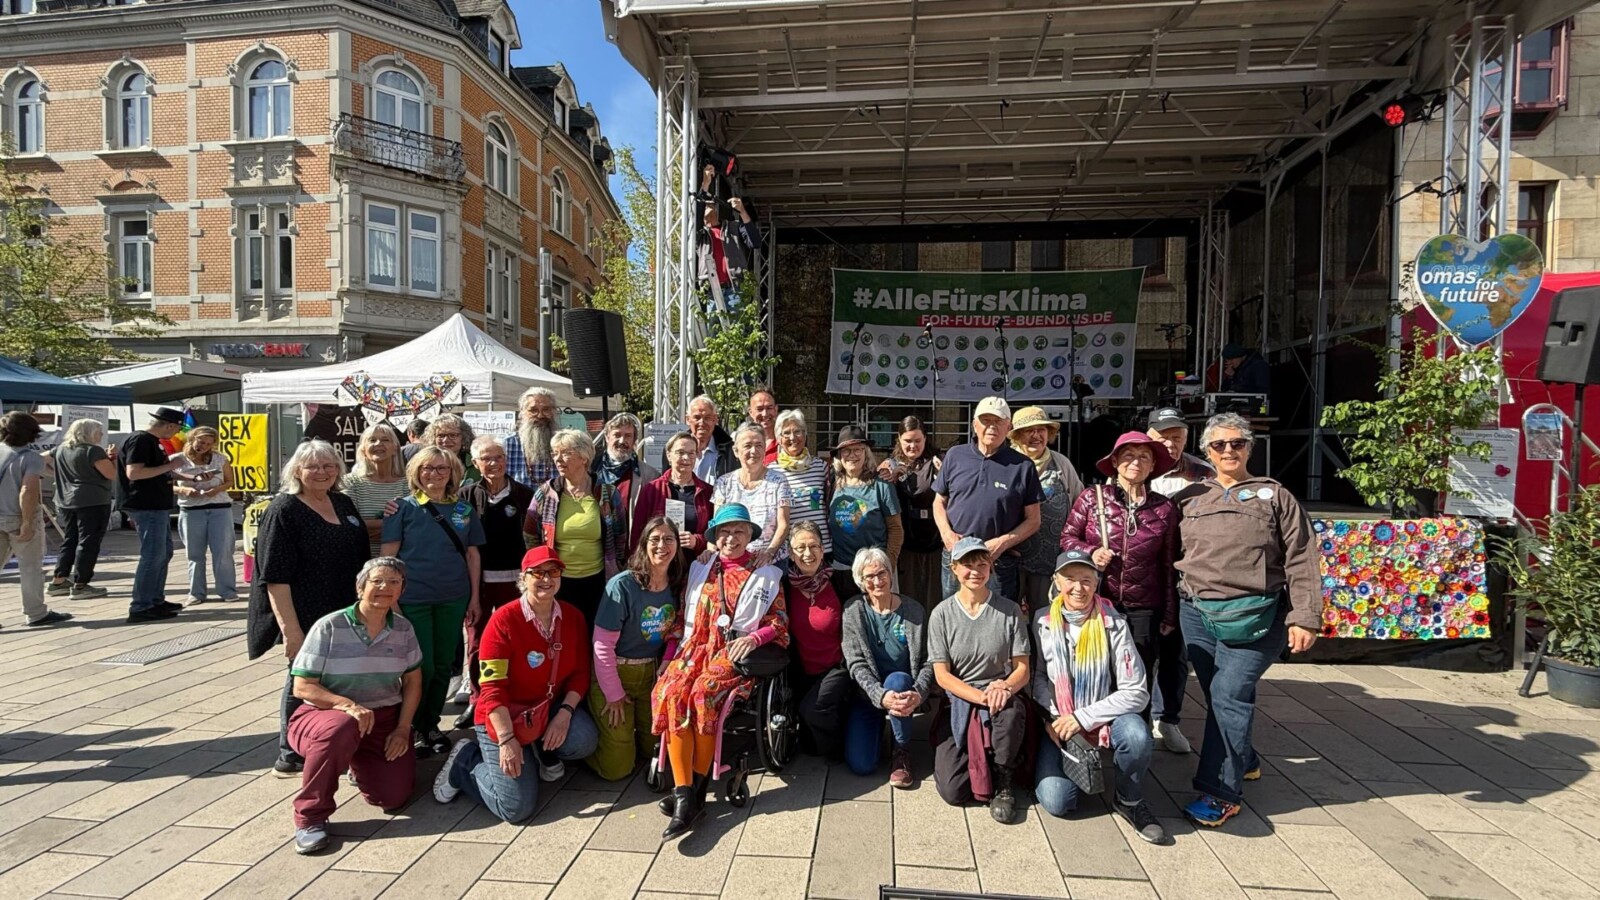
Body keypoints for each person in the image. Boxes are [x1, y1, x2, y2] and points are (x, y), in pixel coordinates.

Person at [1175, 413, 1320, 827]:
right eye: (1219, 445)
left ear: (1249, 447)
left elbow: (1301, 557)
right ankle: (1245, 757)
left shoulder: (1275, 497)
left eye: (1236, 443)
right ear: (1206, 451)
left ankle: (1221, 791)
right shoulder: (1189, 498)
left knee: (1228, 695)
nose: (1228, 451)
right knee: (1218, 694)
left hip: (1256, 616)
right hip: (1197, 614)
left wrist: (1305, 617)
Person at [434, 546, 600, 822]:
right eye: (538, 573)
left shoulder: (572, 617)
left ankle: (538, 749)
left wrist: (565, 713)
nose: (546, 579)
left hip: (545, 708)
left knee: (583, 740)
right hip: (503, 715)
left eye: (554, 571)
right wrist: (507, 739)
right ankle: (465, 763)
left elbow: (580, 673)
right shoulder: (503, 621)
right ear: (524, 578)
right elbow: (491, 689)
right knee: (515, 808)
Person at [652, 503, 787, 839]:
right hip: (694, 648)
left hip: (732, 650)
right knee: (671, 690)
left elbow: (780, 622)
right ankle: (686, 793)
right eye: (724, 532)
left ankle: (692, 792)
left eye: (739, 531)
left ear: (750, 535)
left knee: (702, 691)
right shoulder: (701, 568)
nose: (731, 538)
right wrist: (670, 656)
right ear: (715, 537)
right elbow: (682, 617)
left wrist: (755, 639)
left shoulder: (764, 573)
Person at [247, 439, 371, 776]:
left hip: (345, 609)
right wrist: (291, 631)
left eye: (329, 465)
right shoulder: (284, 509)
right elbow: (274, 577)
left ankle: (334, 740)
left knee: (340, 679)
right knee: (302, 678)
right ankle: (289, 752)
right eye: (313, 466)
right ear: (297, 471)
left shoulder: (342, 502)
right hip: (305, 613)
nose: (322, 472)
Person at [286, 557, 421, 855]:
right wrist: (346, 705)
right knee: (342, 727)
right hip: (323, 715)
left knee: (392, 797)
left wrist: (402, 729)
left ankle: (354, 762)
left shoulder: (403, 629)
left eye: (394, 582)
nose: (386, 587)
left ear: (402, 590)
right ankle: (310, 817)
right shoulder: (329, 626)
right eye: (378, 581)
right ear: (360, 587)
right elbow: (302, 686)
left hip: (382, 717)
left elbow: (412, 682)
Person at [1031, 549, 1166, 844]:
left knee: (1136, 735)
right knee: (1057, 801)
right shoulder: (1042, 621)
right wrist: (1053, 719)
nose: (1078, 588)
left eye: (1086, 580)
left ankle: (1129, 800)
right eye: (1070, 579)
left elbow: (1136, 691)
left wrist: (1083, 718)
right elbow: (1038, 677)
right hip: (1060, 720)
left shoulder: (1113, 623)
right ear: (1056, 581)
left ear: (1096, 582)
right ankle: (1076, 766)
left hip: (1104, 716)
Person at [1059, 432, 1180, 724]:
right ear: (1114, 462)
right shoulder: (1092, 497)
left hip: (1143, 607)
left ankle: (1134, 743)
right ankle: (1096, 734)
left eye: (1144, 457)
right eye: (1128, 455)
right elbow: (1067, 538)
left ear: (1153, 466)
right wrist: (1090, 552)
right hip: (1099, 602)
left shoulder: (1165, 509)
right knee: (1096, 669)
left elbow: (1169, 564)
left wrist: (1169, 613)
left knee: (1138, 676)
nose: (1135, 462)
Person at [381, 446, 485, 757]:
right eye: (428, 468)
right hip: (413, 598)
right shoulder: (401, 508)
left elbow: (472, 555)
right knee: (420, 666)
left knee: (443, 666)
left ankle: (430, 725)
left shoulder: (464, 511)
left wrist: (475, 597)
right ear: (416, 472)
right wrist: (390, 599)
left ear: (453, 473)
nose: (435, 474)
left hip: (452, 597)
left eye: (442, 468)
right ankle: (411, 726)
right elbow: (388, 556)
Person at [927, 537, 1030, 823]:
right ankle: (977, 761)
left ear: (992, 568)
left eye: (982, 564)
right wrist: (980, 697)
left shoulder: (1009, 611)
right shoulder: (941, 614)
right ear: (954, 569)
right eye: (967, 565)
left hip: (1000, 692)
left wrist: (1005, 687)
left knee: (1010, 713)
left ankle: (1004, 779)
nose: (975, 571)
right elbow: (942, 675)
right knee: (953, 791)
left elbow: (1023, 668)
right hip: (961, 699)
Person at [587, 516, 684, 781]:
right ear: (643, 544)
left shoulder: (677, 584)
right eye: (654, 539)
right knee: (618, 768)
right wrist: (613, 693)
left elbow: (677, 631)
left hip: (651, 676)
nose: (661, 546)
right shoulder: (622, 585)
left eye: (668, 539)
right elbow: (602, 645)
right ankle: (580, 749)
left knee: (653, 750)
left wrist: (666, 663)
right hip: (615, 673)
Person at [458, 435, 536, 728]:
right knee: (477, 643)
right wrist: (472, 594)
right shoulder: (465, 497)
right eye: (486, 459)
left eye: (499, 457)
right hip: (478, 583)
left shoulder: (525, 495)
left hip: (516, 582)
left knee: (514, 641)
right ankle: (478, 700)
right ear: (476, 464)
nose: (494, 463)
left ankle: (512, 694)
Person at [1144, 406, 1210, 754]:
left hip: (1185, 575)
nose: (1170, 442)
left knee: (1174, 652)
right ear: (1149, 435)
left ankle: (1167, 719)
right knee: (1138, 650)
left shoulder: (1204, 473)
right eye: (1163, 435)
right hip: (1141, 575)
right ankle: (1133, 719)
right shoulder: (1133, 466)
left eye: (1177, 436)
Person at [931, 397, 1042, 603]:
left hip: (998, 562)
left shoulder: (1023, 466)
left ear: (1009, 426)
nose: (991, 427)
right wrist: (947, 535)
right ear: (974, 424)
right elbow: (939, 501)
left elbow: (1033, 520)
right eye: (986, 420)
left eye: (998, 421)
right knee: (954, 617)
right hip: (957, 557)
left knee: (997, 623)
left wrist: (1002, 543)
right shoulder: (955, 456)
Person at [841, 547, 931, 788]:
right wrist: (880, 697)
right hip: (869, 694)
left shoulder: (913, 611)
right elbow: (856, 663)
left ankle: (902, 751)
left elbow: (927, 660)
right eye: (869, 576)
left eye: (882, 573)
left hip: (903, 690)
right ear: (861, 581)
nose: (877, 581)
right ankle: (881, 724)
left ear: (891, 575)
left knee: (899, 679)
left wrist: (920, 691)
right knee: (862, 765)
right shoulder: (853, 611)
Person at [523, 429, 624, 628]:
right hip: (557, 581)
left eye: (565, 453)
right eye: (555, 453)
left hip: (598, 580)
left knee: (594, 634)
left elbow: (620, 536)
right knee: (563, 633)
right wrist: (542, 566)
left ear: (584, 457)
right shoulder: (546, 493)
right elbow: (529, 534)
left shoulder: (607, 493)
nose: (558, 459)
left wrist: (617, 568)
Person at [1008, 407, 1085, 613]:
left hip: (1049, 561)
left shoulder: (1061, 464)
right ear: (1016, 435)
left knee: (1044, 617)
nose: (1036, 435)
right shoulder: (1005, 464)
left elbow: (1080, 505)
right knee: (1008, 616)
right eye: (1028, 430)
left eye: (1041, 429)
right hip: (1010, 558)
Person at [785, 522, 850, 759]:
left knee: (812, 711)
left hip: (838, 667)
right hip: (803, 672)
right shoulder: (783, 587)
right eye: (800, 548)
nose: (807, 553)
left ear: (823, 550)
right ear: (791, 553)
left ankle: (842, 738)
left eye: (813, 546)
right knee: (809, 749)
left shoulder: (841, 583)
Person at [1, 412, 71, 628]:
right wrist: (27, 522)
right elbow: (28, 491)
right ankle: (36, 613)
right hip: (17, 516)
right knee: (30, 567)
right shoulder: (31, 458)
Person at [827, 425, 902, 601]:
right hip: (841, 569)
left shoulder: (882, 485)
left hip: (875, 571)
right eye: (846, 451)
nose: (852, 455)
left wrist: (888, 565)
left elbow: (896, 529)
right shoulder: (832, 483)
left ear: (866, 452)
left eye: (858, 449)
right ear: (839, 456)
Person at [47, 417, 116, 601]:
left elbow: (41, 460)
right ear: (90, 433)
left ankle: (58, 580)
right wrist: (112, 459)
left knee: (70, 539)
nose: (101, 435)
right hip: (93, 500)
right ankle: (81, 584)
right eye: (99, 432)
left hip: (65, 500)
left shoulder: (61, 448)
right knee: (88, 541)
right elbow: (110, 474)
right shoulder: (93, 451)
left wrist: (54, 473)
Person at [877, 416, 942, 608]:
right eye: (908, 441)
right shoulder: (889, 465)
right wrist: (890, 480)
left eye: (917, 441)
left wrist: (944, 475)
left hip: (934, 542)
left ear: (925, 439)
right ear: (899, 438)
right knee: (907, 597)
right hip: (905, 544)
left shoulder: (937, 462)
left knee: (933, 597)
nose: (913, 446)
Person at [169, 426, 237, 607]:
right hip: (191, 510)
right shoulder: (176, 460)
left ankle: (227, 590)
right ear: (192, 438)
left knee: (223, 551)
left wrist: (216, 489)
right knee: (194, 553)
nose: (204, 446)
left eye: (208, 443)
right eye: (201, 441)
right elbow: (164, 484)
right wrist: (183, 489)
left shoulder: (220, 458)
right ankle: (196, 592)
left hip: (219, 508)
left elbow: (230, 481)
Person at [713, 423, 792, 567]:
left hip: (771, 561)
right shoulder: (723, 483)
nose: (754, 451)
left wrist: (769, 552)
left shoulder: (779, 481)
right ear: (736, 451)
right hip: (734, 560)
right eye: (747, 445)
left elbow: (784, 524)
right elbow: (716, 524)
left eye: (759, 445)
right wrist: (711, 551)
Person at [631, 431, 715, 562]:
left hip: (695, 565)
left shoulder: (707, 492)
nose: (686, 458)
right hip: (659, 566)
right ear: (669, 455)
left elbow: (715, 533)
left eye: (691, 453)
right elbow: (638, 531)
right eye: (680, 452)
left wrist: (696, 541)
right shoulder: (652, 489)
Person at [694, 165, 761, 313]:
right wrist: (705, 184)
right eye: (705, 206)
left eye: (709, 205)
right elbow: (696, 212)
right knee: (714, 334)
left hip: (735, 289)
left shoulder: (733, 227)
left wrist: (742, 211)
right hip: (712, 291)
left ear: (716, 210)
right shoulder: (700, 235)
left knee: (737, 332)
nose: (707, 207)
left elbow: (755, 242)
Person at [591, 412, 659, 552]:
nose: (622, 441)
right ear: (606, 437)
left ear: (634, 440)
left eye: (628, 436)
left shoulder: (650, 476)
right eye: (617, 435)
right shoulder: (590, 469)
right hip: (593, 549)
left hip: (630, 551)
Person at [772, 409, 831, 562]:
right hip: (790, 551)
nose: (793, 437)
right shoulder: (771, 472)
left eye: (798, 431)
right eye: (786, 433)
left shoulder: (821, 467)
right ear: (778, 438)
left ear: (805, 435)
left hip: (821, 548)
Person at [344, 422, 410, 559]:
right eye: (372, 440)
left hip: (402, 563)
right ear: (363, 449)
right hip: (359, 560)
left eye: (385, 440)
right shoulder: (350, 482)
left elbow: (416, 523)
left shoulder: (409, 483)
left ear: (395, 448)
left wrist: (370, 527)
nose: (378, 443)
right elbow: (348, 524)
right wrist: (395, 528)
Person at [504, 387, 561, 487]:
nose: (540, 415)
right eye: (533, 410)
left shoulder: (564, 443)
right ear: (522, 413)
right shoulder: (507, 444)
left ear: (554, 411)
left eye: (546, 410)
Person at [686, 395, 736, 481]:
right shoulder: (675, 449)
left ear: (715, 420)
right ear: (687, 419)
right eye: (697, 418)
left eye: (707, 418)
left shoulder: (730, 451)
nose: (702, 423)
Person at [425, 414, 479, 485]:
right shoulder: (425, 463)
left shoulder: (475, 464)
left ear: (464, 438)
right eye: (441, 435)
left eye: (453, 435)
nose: (446, 440)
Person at [747, 388, 780, 464]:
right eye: (759, 409)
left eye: (769, 408)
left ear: (775, 410)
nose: (765, 414)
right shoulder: (743, 442)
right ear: (751, 412)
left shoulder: (784, 441)